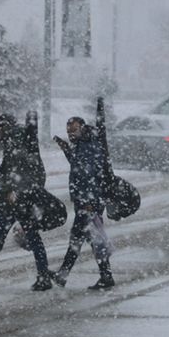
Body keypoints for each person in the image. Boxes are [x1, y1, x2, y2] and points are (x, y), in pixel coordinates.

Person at [0, 112, 54, 291]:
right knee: (6, 238)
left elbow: (23, 171)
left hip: (17, 200)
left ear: (10, 125)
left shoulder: (17, 141)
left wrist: (18, 192)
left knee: (10, 238)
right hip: (14, 200)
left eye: (3, 126)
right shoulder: (13, 141)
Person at [50, 115, 115, 290]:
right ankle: (66, 275)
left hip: (89, 201)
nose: (71, 134)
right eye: (68, 131)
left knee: (85, 239)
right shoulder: (84, 143)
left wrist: (88, 202)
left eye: (74, 130)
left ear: (82, 128)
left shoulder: (89, 145)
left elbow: (90, 175)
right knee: (85, 238)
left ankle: (66, 275)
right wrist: (66, 149)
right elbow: (79, 165)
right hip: (85, 200)